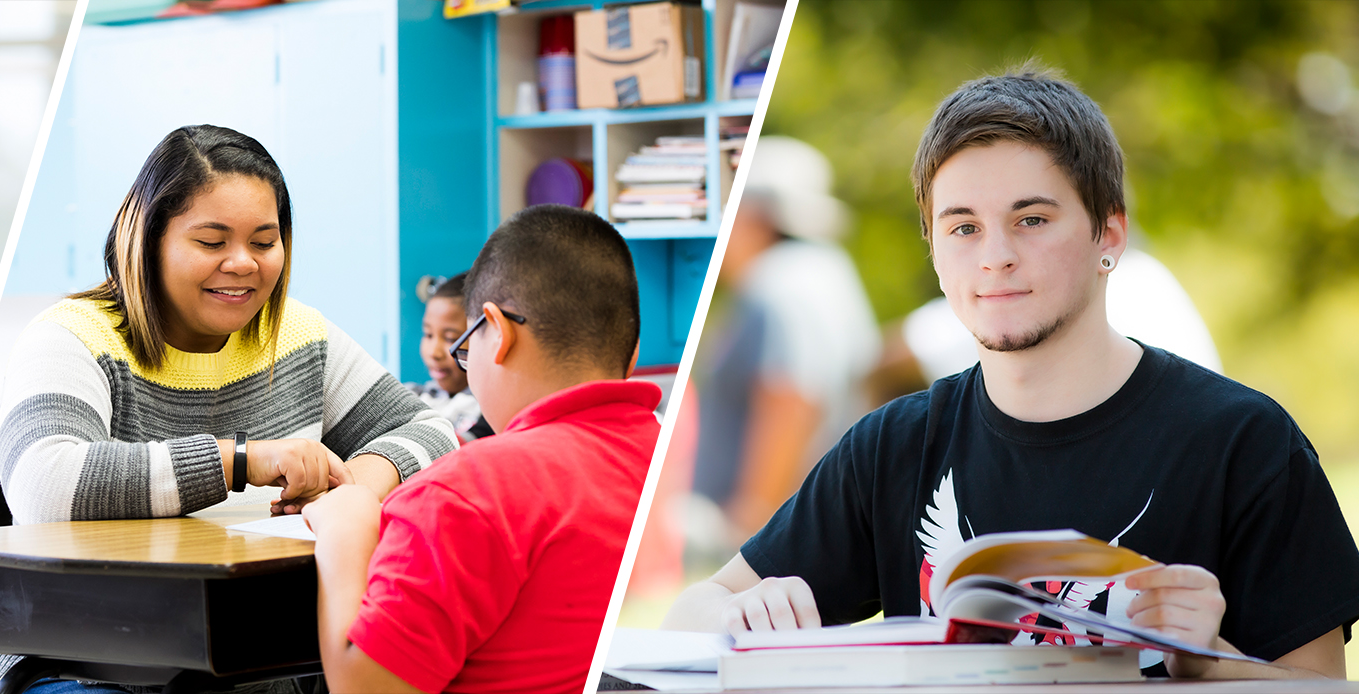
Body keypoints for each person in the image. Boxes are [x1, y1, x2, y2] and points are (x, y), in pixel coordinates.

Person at [661, 63, 1359, 680]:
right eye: (963, 227)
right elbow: (690, 614)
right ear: (935, 250)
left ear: (1107, 235)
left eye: (1030, 219)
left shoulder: (1245, 441)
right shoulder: (894, 445)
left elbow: (1323, 684)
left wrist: (1208, 667)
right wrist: (742, 615)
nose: (994, 256)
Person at [0, 124, 457, 692]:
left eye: (263, 241)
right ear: (149, 237)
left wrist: (350, 488)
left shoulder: (298, 334)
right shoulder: (71, 336)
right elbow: (44, 484)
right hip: (75, 665)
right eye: (211, 242)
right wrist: (241, 460)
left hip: (256, 662)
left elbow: (432, 430)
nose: (243, 264)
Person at [304, 204, 662, 693]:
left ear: (498, 332)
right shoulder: (673, 459)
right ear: (632, 349)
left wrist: (346, 524)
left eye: (465, 346)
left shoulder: (470, 488)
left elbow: (364, 685)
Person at [693, 136, 877, 542]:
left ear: (756, 215)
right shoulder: (828, 273)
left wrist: (747, 525)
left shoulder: (779, 283)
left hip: (760, 531)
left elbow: (792, 397)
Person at [405, 272, 492, 442]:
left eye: (451, 338)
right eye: (428, 335)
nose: (434, 352)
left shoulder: (490, 411)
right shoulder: (411, 395)